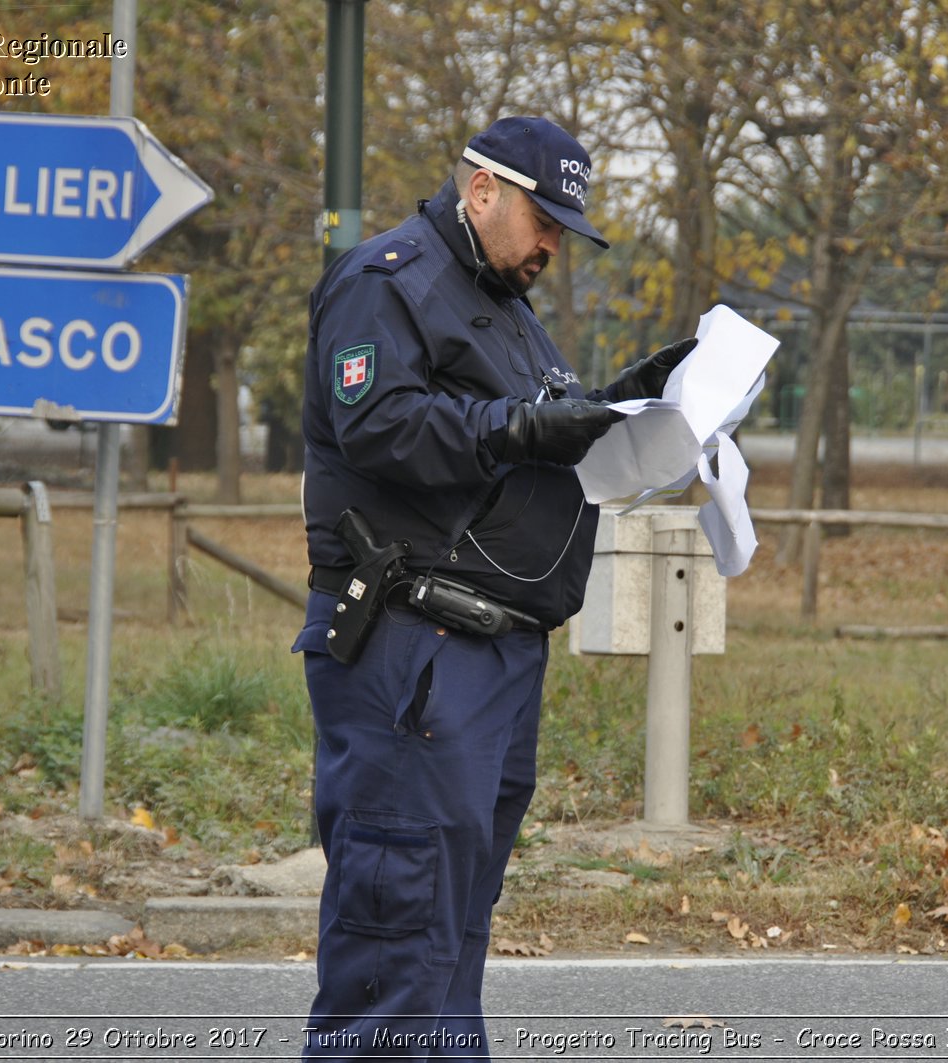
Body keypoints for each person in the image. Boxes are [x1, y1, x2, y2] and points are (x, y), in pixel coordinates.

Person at [293, 116, 695, 1058]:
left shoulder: (503, 305)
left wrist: (614, 410)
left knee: (451, 933)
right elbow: (381, 424)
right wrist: (519, 428)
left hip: (493, 660)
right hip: (414, 652)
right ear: (482, 191)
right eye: (544, 220)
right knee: (397, 937)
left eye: (567, 230)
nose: (553, 244)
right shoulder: (386, 282)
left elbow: (519, 430)